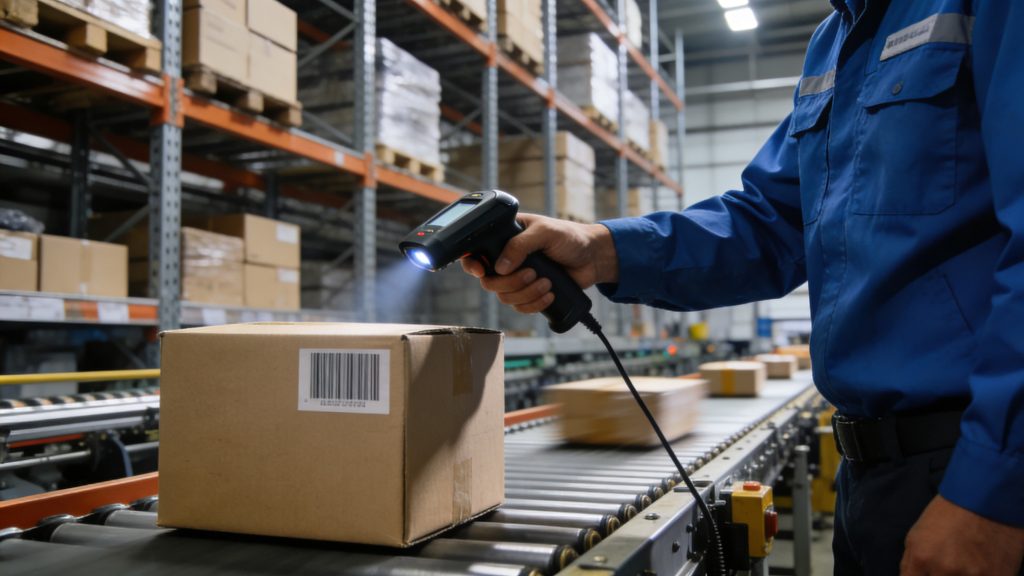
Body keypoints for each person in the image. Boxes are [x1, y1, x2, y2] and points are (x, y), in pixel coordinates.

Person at [461, 1, 1024, 574]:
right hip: (874, 476)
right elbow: (769, 223)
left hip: (974, 464)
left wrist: (993, 492)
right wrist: (601, 249)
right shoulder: (836, 40)